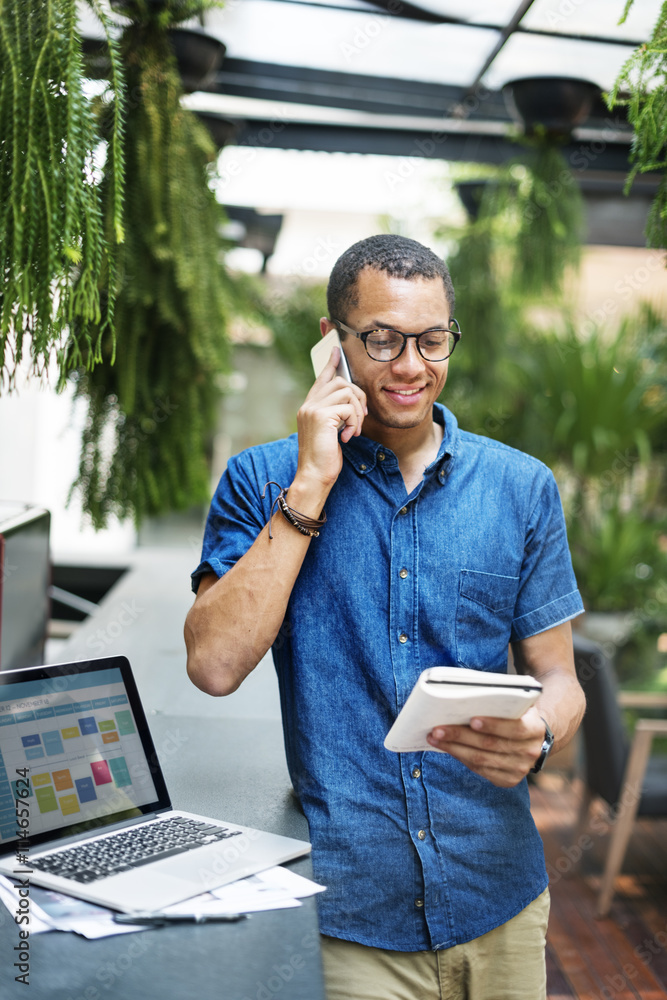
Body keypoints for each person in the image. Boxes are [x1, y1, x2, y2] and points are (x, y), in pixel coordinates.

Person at [185, 234, 585, 1000]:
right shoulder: (262, 481)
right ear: (332, 345)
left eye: (431, 340)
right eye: (381, 339)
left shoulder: (520, 488)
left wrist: (538, 732)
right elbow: (214, 664)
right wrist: (310, 483)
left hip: (498, 896)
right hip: (350, 919)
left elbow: (559, 679)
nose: (410, 365)